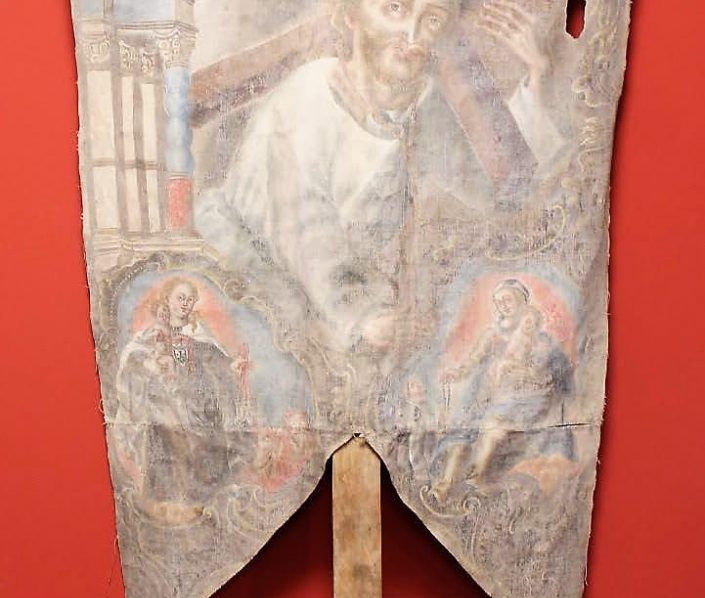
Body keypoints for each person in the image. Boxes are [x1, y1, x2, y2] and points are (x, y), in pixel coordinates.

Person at [197, 0, 565, 352]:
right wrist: (364, 316)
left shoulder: (422, 104)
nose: (413, 36)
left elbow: (493, 196)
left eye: (432, 20)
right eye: (395, 8)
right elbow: (306, 230)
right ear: (350, 16)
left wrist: (538, 76)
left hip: (343, 298)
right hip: (255, 278)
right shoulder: (307, 98)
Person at [114, 278, 250, 522]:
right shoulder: (154, 333)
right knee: (164, 436)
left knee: (207, 443)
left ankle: (204, 502)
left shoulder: (199, 333)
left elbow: (218, 361)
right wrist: (151, 365)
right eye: (180, 298)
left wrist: (233, 366)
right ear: (167, 300)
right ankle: (166, 505)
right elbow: (134, 356)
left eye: (189, 299)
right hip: (167, 404)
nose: (185, 303)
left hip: (199, 404)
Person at [432, 278, 573, 498]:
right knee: (461, 435)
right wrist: (455, 373)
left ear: (521, 301)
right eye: (498, 302)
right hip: (494, 397)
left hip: (527, 399)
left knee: (492, 427)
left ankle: (475, 478)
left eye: (507, 300)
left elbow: (550, 374)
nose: (503, 306)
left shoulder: (541, 340)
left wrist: (513, 369)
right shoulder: (492, 334)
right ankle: (444, 486)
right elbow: (473, 361)